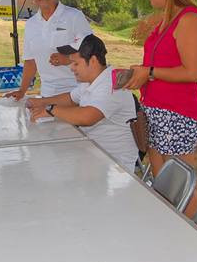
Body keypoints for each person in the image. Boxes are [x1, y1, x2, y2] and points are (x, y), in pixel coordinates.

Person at [126, 0, 197, 216]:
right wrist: (140, 72)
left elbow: (193, 72)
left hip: (178, 113)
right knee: (164, 186)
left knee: (181, 188)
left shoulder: (190, 19)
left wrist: (149, 72)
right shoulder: (167, 19)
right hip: (157, 110)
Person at [27, 34, 139, 171]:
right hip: (92, 153)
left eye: (76, 63)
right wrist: (41, 102)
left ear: (92, 61)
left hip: (114, 165)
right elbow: (71, 98)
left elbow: (88, 117)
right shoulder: (91, 80)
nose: (71, 68)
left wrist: (51, 109)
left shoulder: (112, 83)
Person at [5, 0, 93, 99]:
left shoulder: (74, 16)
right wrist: (22, 91)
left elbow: (92, 50)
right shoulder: (31, 24)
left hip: (78, 89)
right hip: (48, 92)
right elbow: (30, 62)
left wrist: (68, 59)